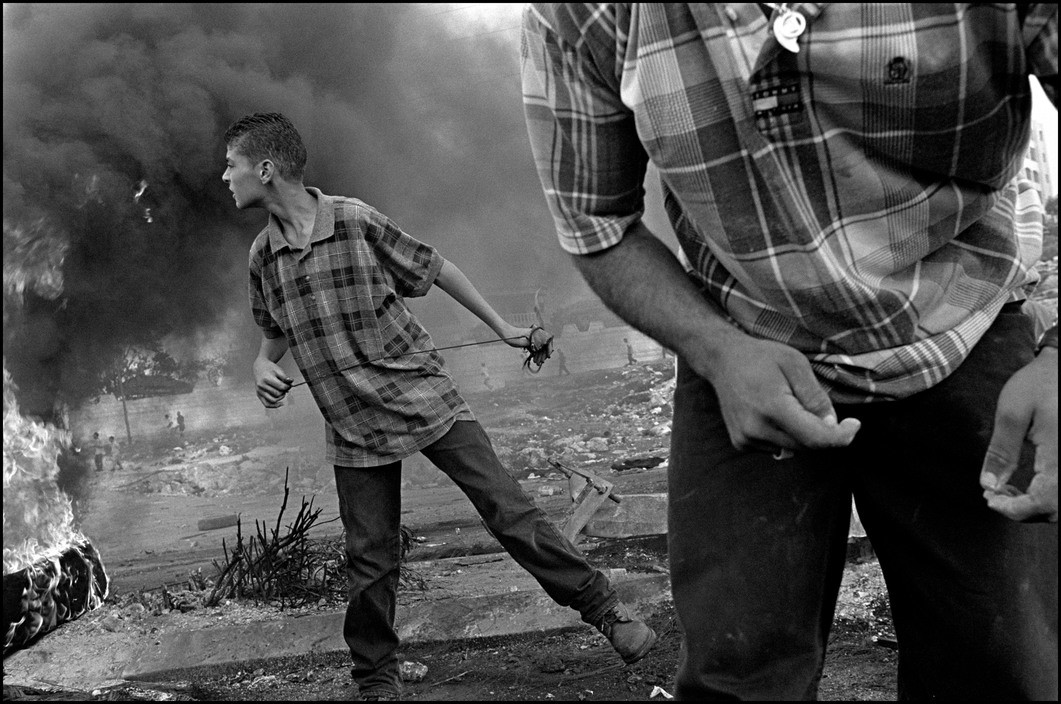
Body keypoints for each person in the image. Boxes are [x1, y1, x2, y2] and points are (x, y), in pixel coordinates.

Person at [521, 4, 1057, 701]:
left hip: (968, 320)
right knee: (738, 671)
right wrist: (715, 350)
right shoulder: (587, 14)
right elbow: (594, 219)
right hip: (746, 348)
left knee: (1003, 666)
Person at [223, 112, 656, 701]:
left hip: (422, 394)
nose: (225, 177)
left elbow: (433, 267)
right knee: (370, 561)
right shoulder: (264, 257)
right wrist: (261, 365)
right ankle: (377, 680)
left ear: (266, 170)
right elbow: (274, 331)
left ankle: (608, 613)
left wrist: (501, 326)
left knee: (508, 511)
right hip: (352, 424)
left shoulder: (353, 221)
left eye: (233, 165)